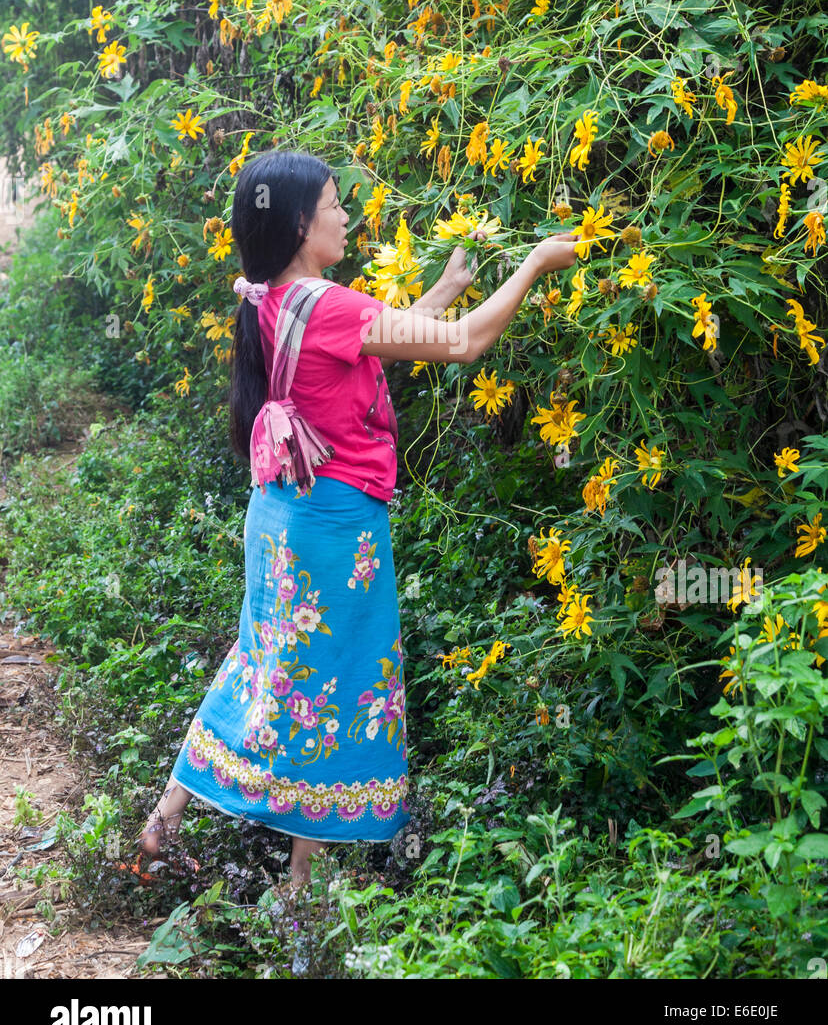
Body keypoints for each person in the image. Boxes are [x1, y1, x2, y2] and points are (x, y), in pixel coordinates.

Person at [135, 149, 579, 890]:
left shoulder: (275, 296)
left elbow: (380, 343)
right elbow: (464, 346)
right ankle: (301, 892)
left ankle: (165, 819)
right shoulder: (330, 303)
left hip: (279, 517)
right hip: (335, 528)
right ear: (303, 223)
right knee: (341, 682)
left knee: (259, 662)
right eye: (337, 206)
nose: (347, 217)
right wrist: (532, 264)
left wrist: (442, 288)